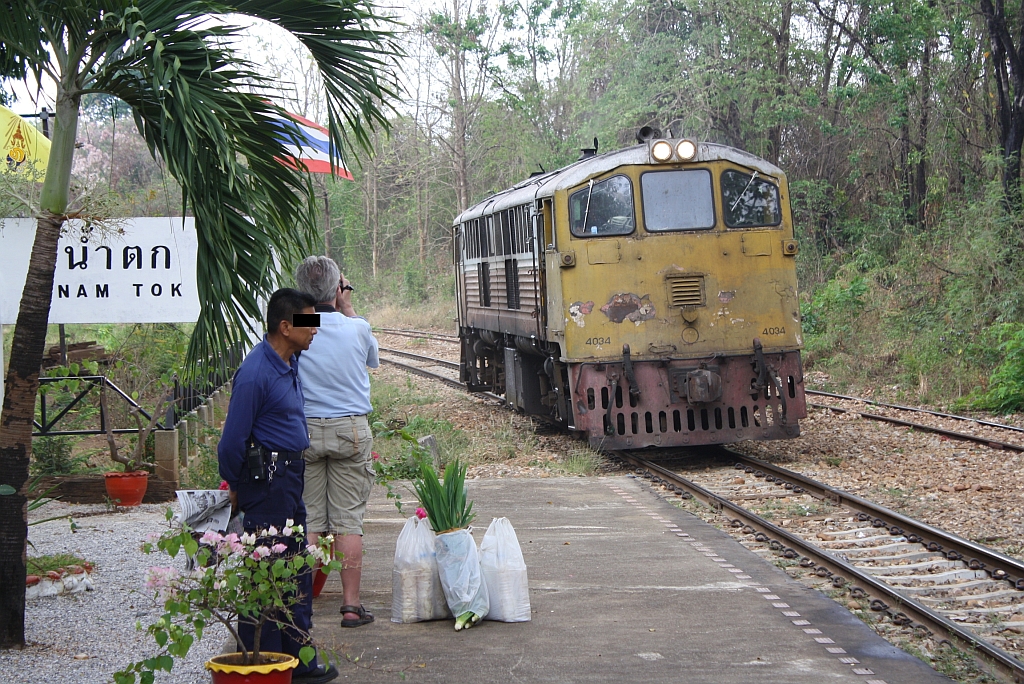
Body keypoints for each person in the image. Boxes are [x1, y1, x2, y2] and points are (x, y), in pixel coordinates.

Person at [218, 287, 338, 684]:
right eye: (308, 322)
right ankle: (263, 663)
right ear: (285, 327)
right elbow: (232, 441)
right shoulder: (256, 373)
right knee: (267, 573)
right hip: (267, 482)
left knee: (295, 569)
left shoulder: (289, 361)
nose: (315, 329)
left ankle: (296, 661)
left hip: (289, 478)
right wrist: (236, 486)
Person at [294, 256, 379, 628]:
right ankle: (351, 606)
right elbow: (372, 358)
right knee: (347, 522)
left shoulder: (296, 326)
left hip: (305, 431)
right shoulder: (356, 327)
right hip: (351, 431)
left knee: (309, 519)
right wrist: (347, 306)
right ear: (338, 288)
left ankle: (299, 606)